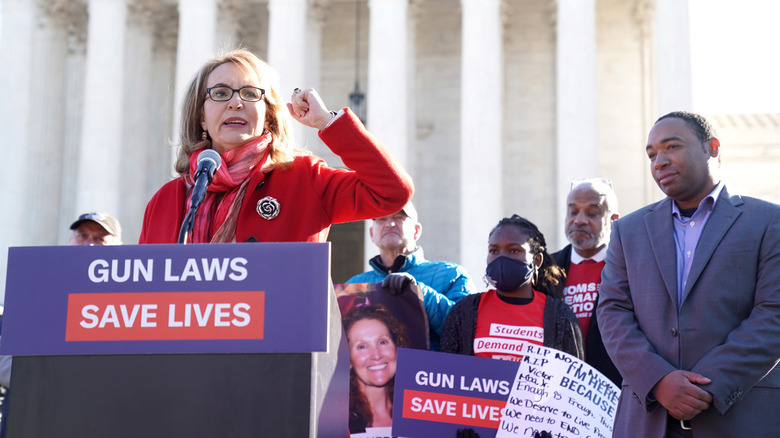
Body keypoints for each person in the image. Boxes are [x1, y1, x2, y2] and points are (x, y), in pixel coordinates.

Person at [597, 111, 780, 437]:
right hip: (648, 417)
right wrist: (658, 380)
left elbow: (773, 314)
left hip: (740, 416)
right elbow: (612, 311)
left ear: (712, 147)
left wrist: (707, 385)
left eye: (671, 147)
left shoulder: (768, 222)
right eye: (652, 154)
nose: (659, 162)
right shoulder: (628, 231)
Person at [139, 49, 413, 244]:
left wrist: (328, 123)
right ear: (200, 115)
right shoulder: (166, 200)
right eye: (220, 93)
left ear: (268, 114)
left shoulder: (306, 179)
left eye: (249, 93)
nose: (235, 103)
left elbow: (391, 192)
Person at [441, 215, 584, 361]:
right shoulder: (463, 312)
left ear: (537, 260)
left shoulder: (560, 317)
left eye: (514, 250)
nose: (501, 258)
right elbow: (447, 373)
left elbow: (571, 378)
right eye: (493, 251)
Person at [346, 201, 475, 351]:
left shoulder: (452, 275)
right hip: (374, 372)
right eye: (381, 219)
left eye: (399, 217)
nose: (390, 224)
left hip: (427, 373)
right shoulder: (353, 286)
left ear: (416, 230)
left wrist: (420, 294)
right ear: (371, 234)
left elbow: (468, 332)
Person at [552, 179, 621, 385]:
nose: (579, 220)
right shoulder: (546, 269)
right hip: (559, 390)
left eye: (592, 213)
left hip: (615, 392)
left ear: (613, 221)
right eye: (573, 211)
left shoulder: (631, 268)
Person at [343, 304, 409, 436]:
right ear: (348, 359)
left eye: (383, 342)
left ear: (397, 347)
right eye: (362, 346)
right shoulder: (336, 421)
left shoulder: (421, 411)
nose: (376, 355)